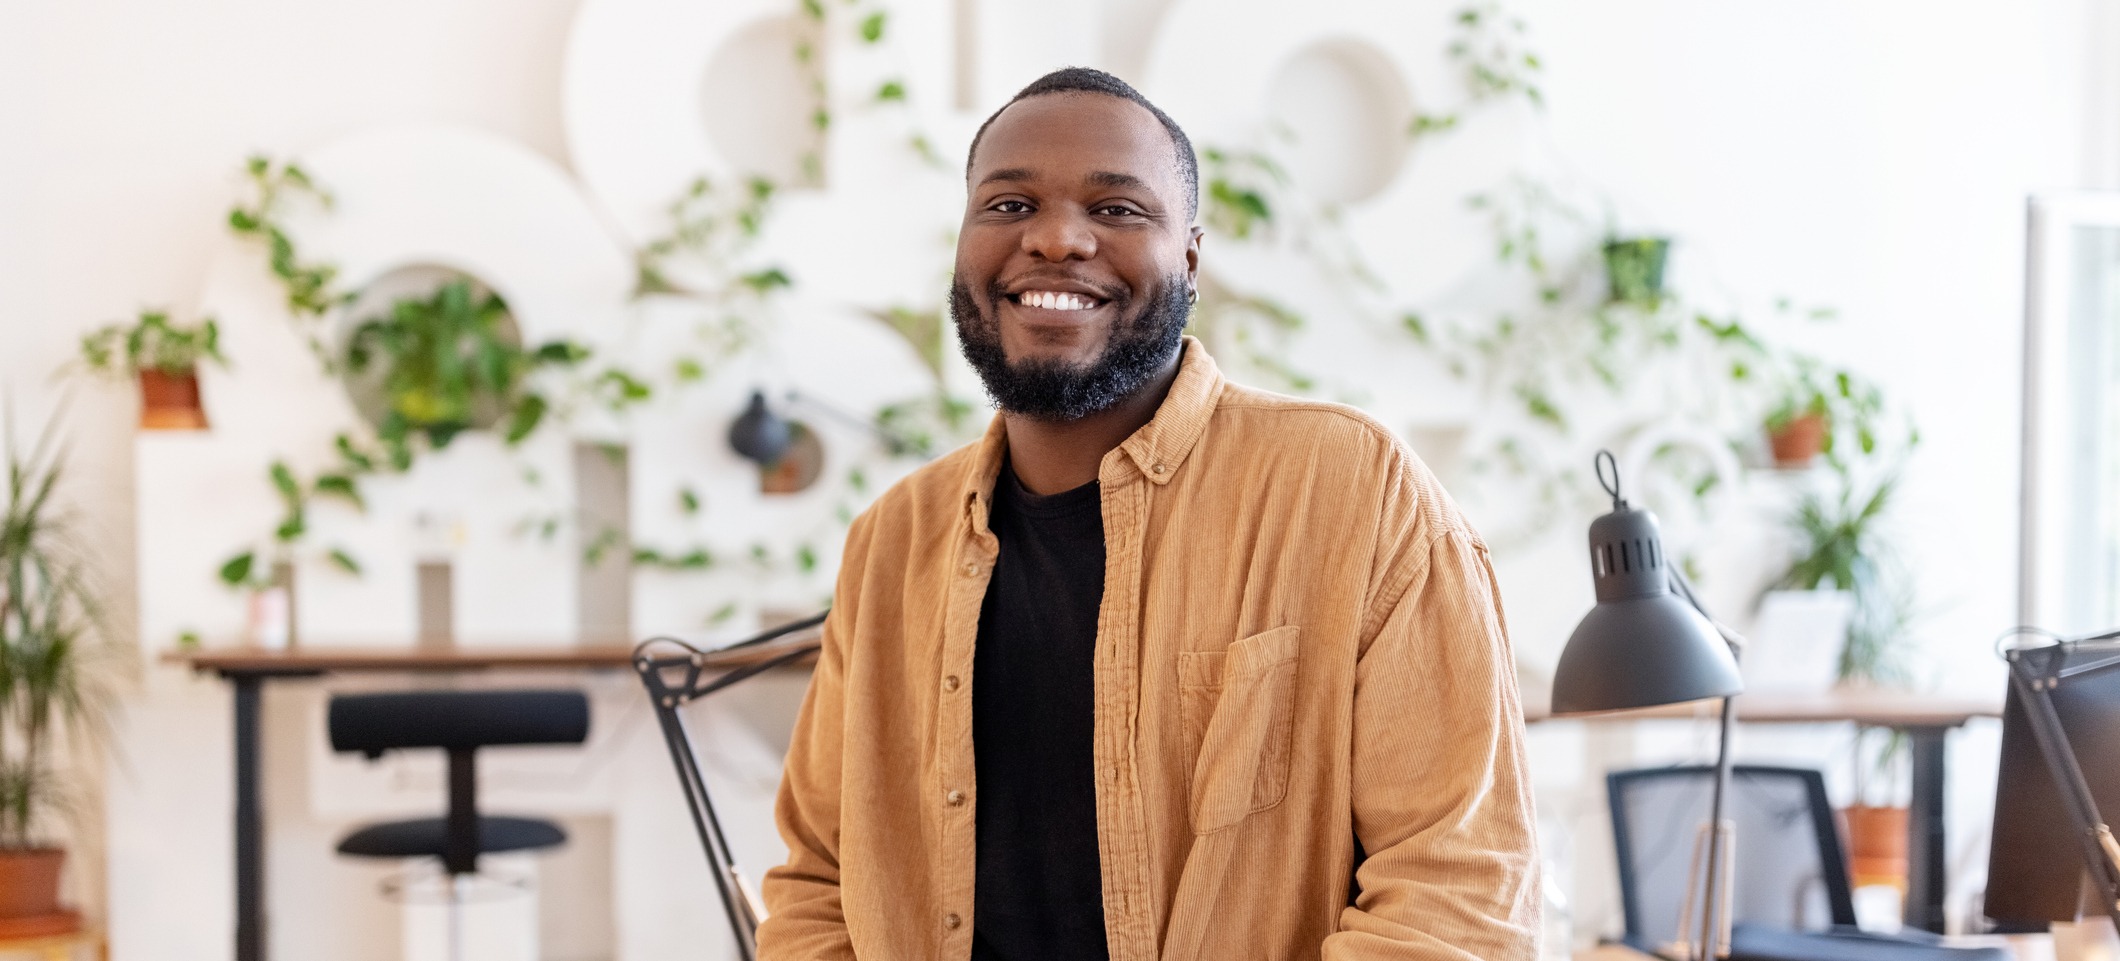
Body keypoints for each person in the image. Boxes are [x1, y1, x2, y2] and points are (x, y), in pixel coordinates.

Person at [759, 66, 1539, 961]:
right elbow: (819, 879)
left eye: (1118, 209)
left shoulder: (1352, 491)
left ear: (1191, 259)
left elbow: (1457, 894)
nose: (1054, 239)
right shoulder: (893, 540)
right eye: (1008, 205)